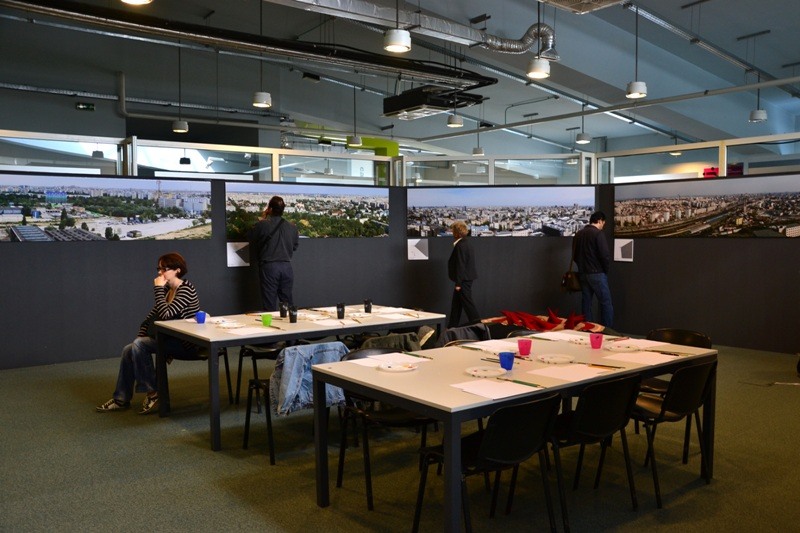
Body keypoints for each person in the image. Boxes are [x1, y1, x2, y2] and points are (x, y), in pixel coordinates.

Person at [96, 252, 200, 414]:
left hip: (187, 343)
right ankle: (121, 398)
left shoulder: (186, 289)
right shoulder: (168, 290)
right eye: (158, 268)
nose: (159, 272)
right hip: (169, 339)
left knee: (138, 345)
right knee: (129, 349)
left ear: (177, 270)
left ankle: (153, 393)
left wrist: (158, 289)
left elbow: (166, 315)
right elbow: (151, 317)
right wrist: (141, 336)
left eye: (164, 269)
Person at [249, 196, 300, 311]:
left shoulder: (262, 225)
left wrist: (263, 218)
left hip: (269, 267)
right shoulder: (292, 227)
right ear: (283, 210)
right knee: (287, 301)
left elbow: (250, 237)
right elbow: (295, 247)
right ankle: (290, 321)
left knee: (269, 302)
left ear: (270, 209)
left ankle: (271, 322)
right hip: (287, 267)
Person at [573, 211, 613, 327]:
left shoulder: (579, 234)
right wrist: (605, 270)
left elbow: (575, 255)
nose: (603, 226)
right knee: (606, 303)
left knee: (586, 303)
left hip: (583, 273)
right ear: (600, 221)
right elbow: (604, 255)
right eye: (603, 223)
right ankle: (607, 331)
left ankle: (587, 328)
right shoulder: (598, 234)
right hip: (597, 273)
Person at [447, 220, 480, 328]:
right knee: (456, 305)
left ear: (457, 233)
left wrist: (458, 283)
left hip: (463, 280)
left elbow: (461, 265)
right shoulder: (466, 243)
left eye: (453, 231)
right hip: (465, 279)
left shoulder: (460, 245)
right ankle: (451, 328)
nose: (452, 233)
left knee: (468, 305)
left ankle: (479, 327)